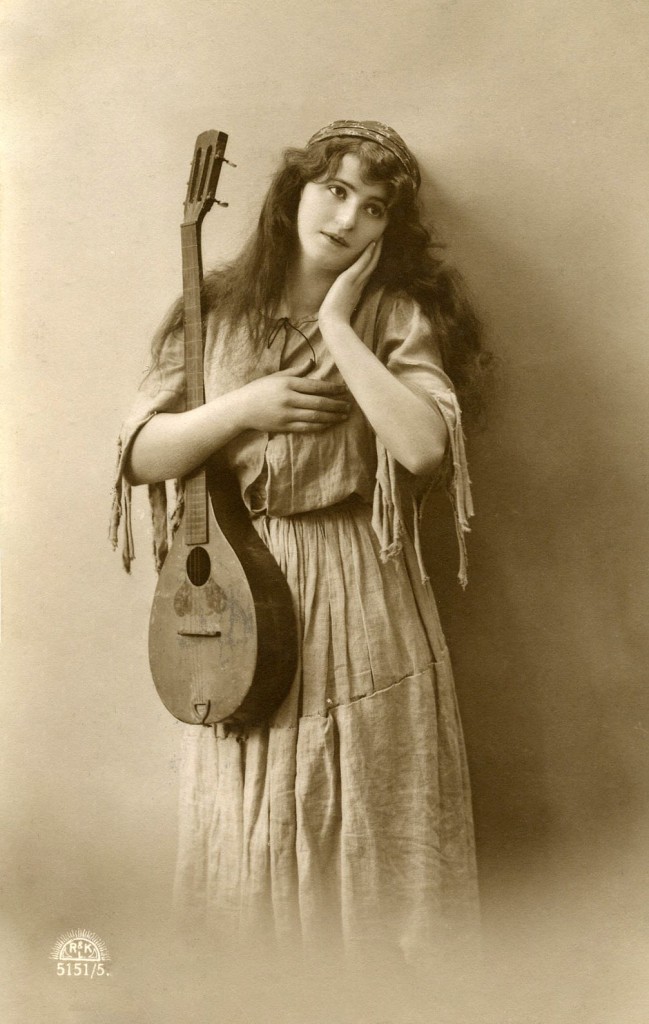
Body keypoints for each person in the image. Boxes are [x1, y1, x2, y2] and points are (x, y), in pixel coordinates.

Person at [110, 120, 490, 968]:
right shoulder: (216, 311)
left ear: (387, 231)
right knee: (256, 806)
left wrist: (339, 324)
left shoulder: (395, 314)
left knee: (366, 793)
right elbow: (140, 455)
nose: (348, 215)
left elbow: (423, 448)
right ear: (294, 194)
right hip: (239, 592)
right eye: (334, 189)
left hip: (359, 583)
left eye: (373, 205)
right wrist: (242, 409)